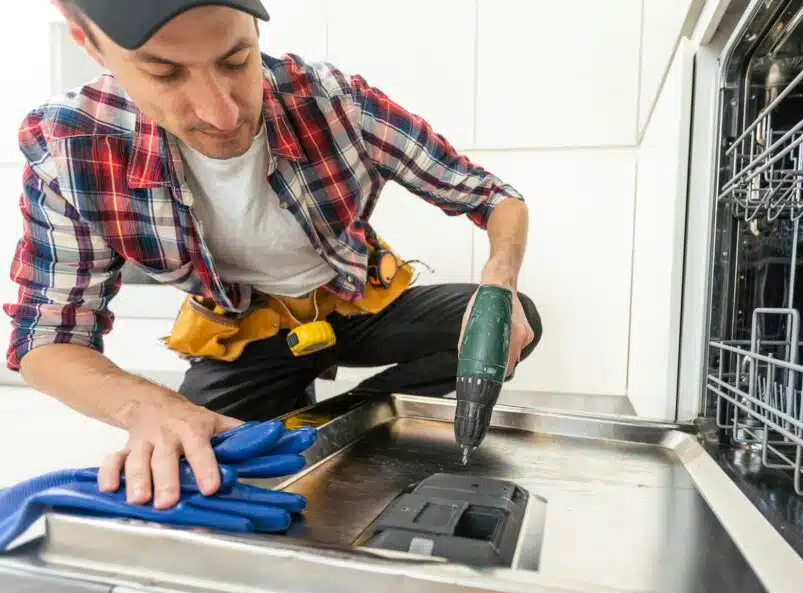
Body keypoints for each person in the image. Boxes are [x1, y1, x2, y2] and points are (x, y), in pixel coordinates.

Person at [4, 0, 541, 511]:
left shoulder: (335, 101)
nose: (222, 114)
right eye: (165, 73)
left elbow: (494, 198)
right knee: (212, 465)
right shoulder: (70, 147)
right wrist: (148, 407)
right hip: (247, 336)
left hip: (357, 306)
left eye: (236, 60)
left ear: (257, 30)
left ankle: (351, 422)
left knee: (518, 323)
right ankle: (310, 420)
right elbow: (46, 340)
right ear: (89, 43)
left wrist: (499, 283)